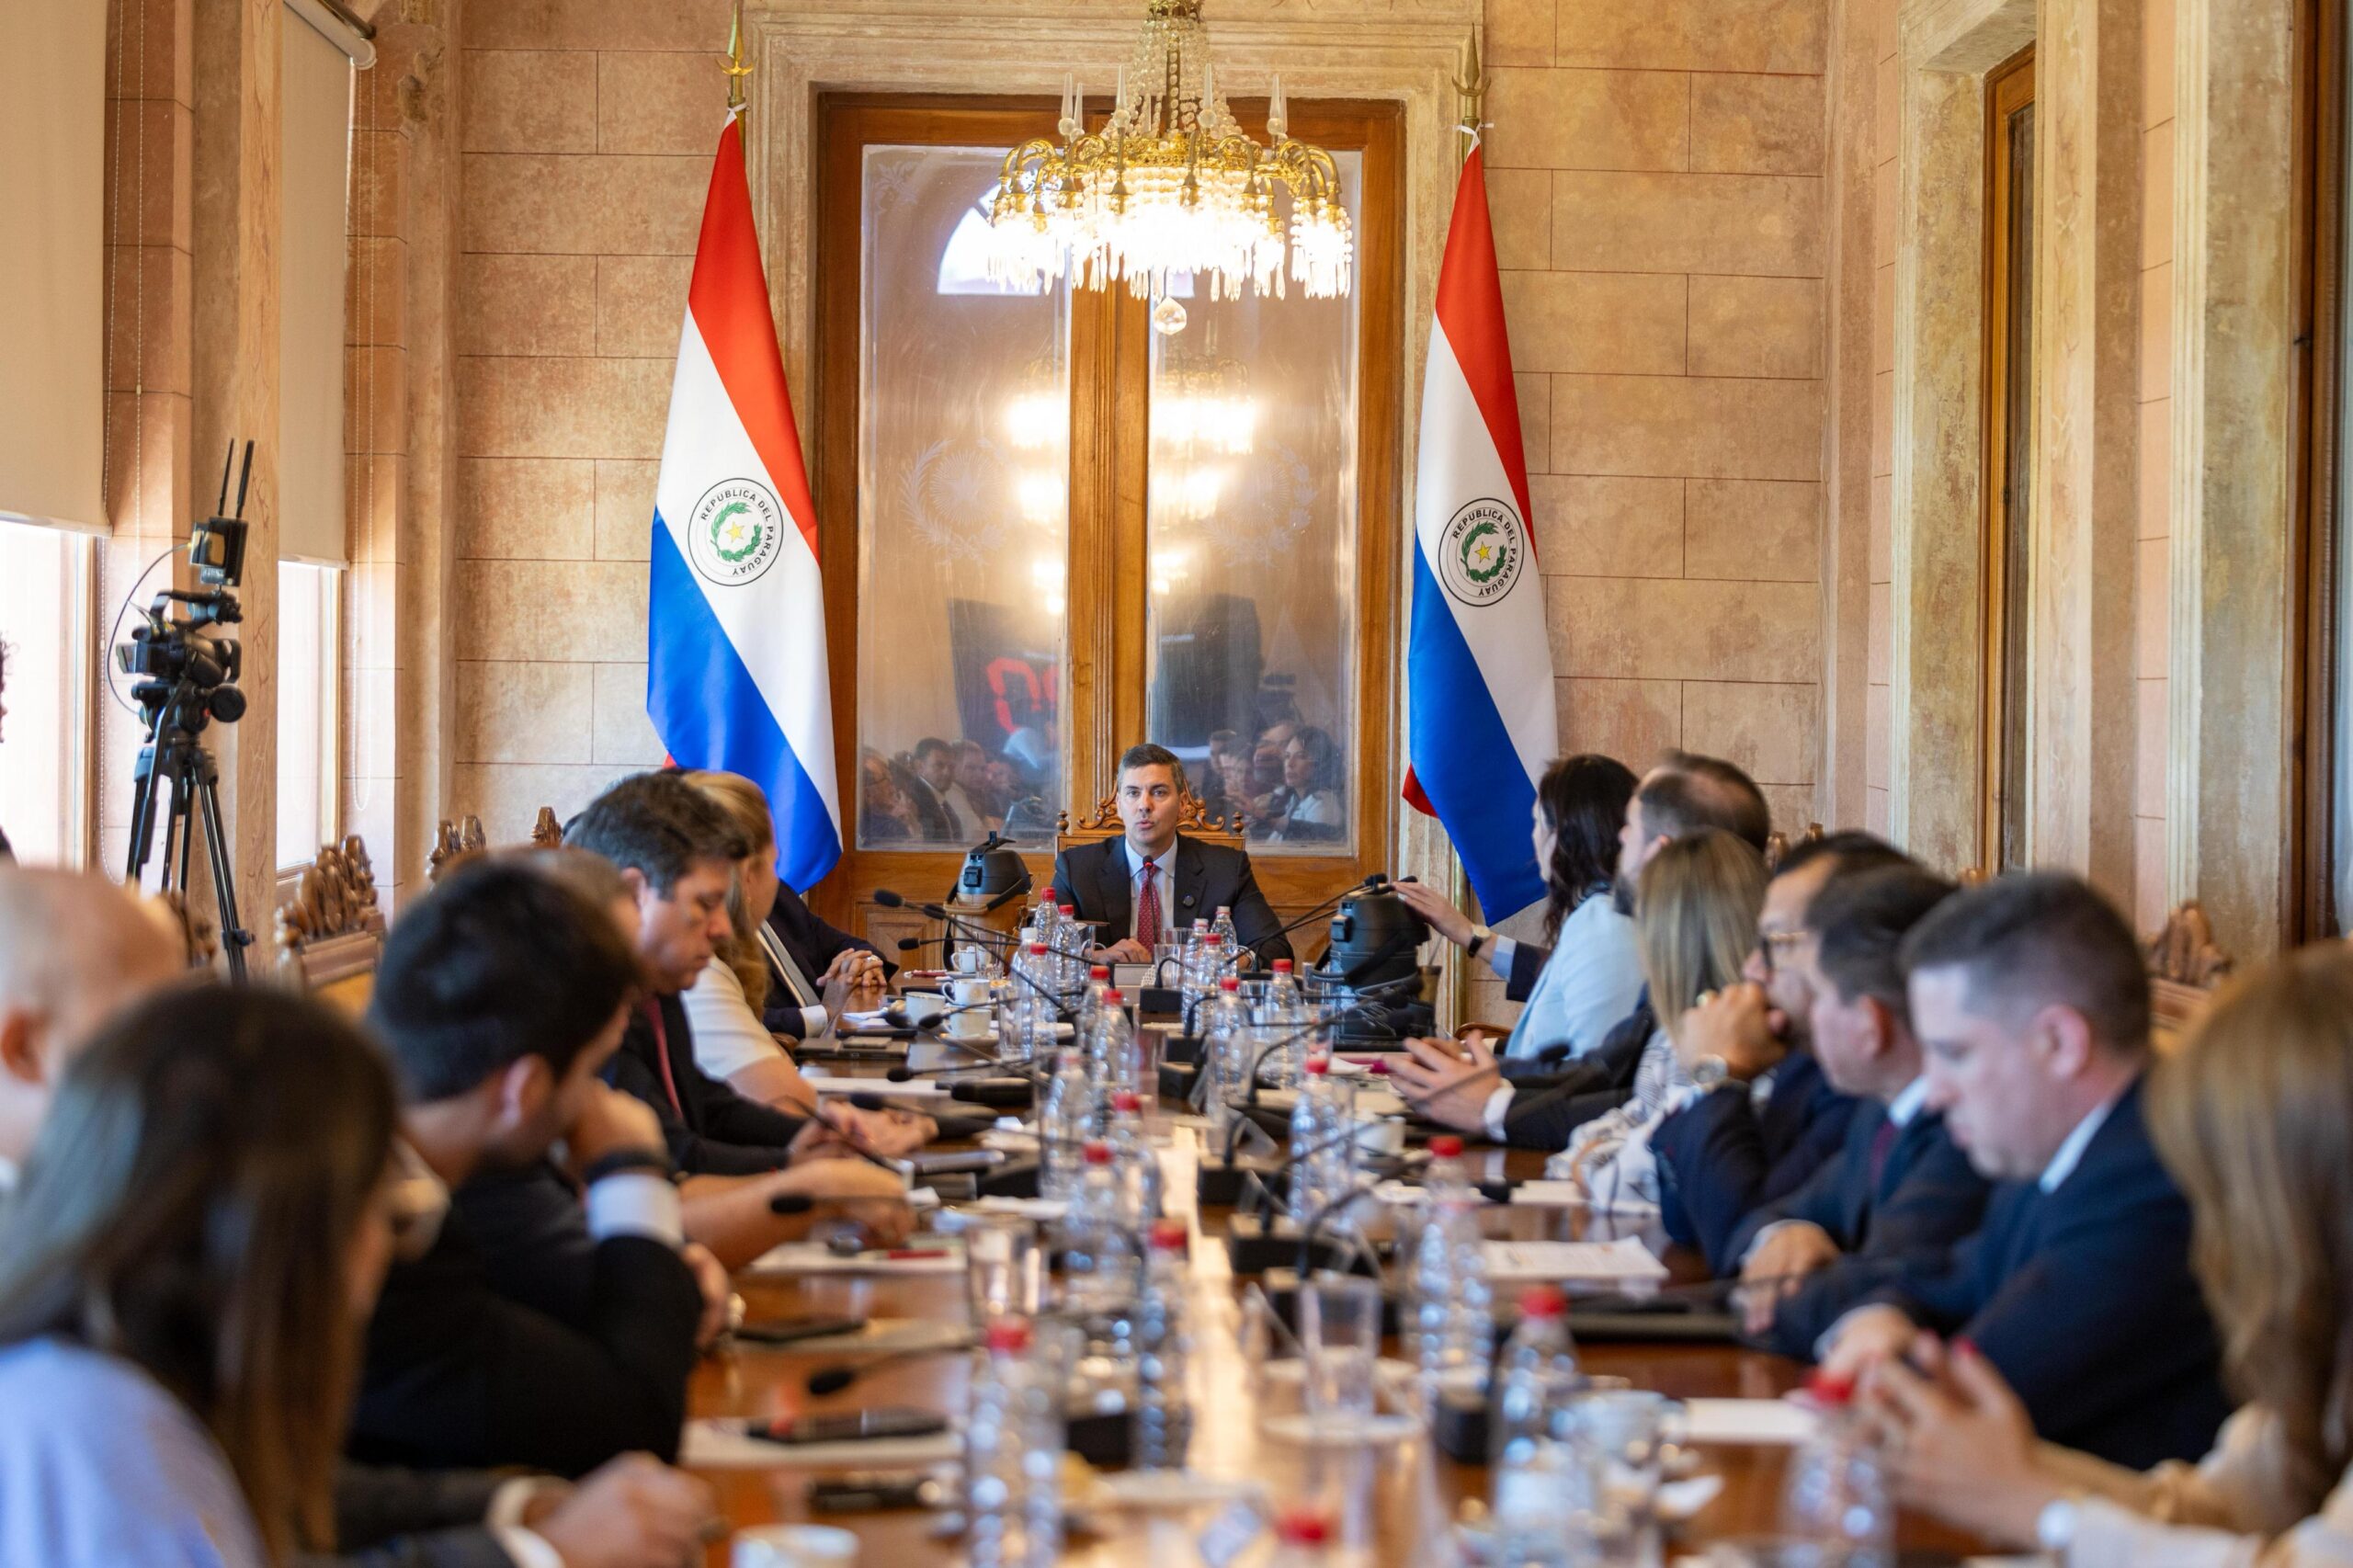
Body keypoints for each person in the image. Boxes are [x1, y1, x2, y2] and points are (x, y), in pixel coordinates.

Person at [0, 869, 712, 1568]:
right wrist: (536, 1553)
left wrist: (510, 1512)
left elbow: (255, 1494)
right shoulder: (81, 1411)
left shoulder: (109, 1299)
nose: (392, 1239)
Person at [1864, 944, 2353, 1564]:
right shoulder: (2328, 1348)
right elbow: (2209, 1509)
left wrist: (2040, 1509)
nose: (2211, 1232)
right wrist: (1999, 1468)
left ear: (2299, 1200)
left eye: (2217, 1189)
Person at [1817, 872, 2231, 1470]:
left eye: (1955, 1053)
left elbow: (1971, 1398)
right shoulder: (2057, 1153)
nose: (1932, 1094)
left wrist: (1882, 1358)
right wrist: (1887, 1314)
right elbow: (1952, 1280)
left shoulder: (2151, 1181)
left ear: (2060, 1042)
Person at [352, 857, 710, 1478]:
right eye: (591, 1073)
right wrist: (629, 1168)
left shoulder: (402, 1165)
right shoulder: (380, 1228)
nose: (599, 1100)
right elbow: (637, 1422)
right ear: (524, 1090)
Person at [563, 771, 915, 1267]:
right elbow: (675, 1166)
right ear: (636, 892)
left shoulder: (656, 980)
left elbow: (709, 1104)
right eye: (704, 904)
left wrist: (800, 1142)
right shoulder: (583, 1005)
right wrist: (808, 1178)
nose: (724, 927)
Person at [1390, 749, 1774, 1144]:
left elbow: (1636, 1111)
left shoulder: (1701, 979)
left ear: (1660, 852)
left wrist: (1492, 1103)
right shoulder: (1682, 954)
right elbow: (1602, 1068)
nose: (1618, 839)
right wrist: (1482, 1071)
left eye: (1630, 828)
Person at [1718, 865, 1993, 1352]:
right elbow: (1755, 1220)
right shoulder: (1880, 1114)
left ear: (1870, 1025)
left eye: (1819, 995)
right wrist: (1787, 1234)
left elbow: (1876, 1286)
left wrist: (1781, 1295)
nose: (1804, 1011)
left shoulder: (1960, 1132)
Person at [1644, 835, 1915, 1270]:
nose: (1752, 968)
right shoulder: (1799, 1062)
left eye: (1776, 943)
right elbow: (1687, 1220)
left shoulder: (1860, 1086)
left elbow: (1735, 1238)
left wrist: (1717, 1080)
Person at [680, 774, 925, 1148]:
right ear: (749, 873)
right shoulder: (700, 967)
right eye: (772, 854)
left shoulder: (780, 897)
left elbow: (849, 944)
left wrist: (860, 963)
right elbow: (784, 1112)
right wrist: (828, 1010)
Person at [1543, 828, 1768, 1206]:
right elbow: (1629, 1119)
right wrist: (1594, 1156)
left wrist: (1594, 1163)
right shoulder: (1672, 1033)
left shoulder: (1740, 1038)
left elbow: (1636, 1176)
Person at [1392, 753, 1644, 1064]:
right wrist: (1468, 934)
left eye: (1538, 822)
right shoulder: (1601, 912)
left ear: (1567, 836)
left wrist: (1480, 1074)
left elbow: (1582, 1065)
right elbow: (1557, 1000)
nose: (1533, 836)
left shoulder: (1604, 923)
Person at [1046, 742, 1292, 967]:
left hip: (1194, 1002)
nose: (1144, 805)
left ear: (1184, 804)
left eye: (1159, 792)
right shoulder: (1077, 869)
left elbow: (1275, 950)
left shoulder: (1226, 869)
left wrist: (1220, 960)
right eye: (1133, 793)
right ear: (1119, 806)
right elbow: (1042, 950)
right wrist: (1095, 956)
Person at [1263, 726, 1344, 844]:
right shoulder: (1293, 800)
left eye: (1301, 756)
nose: (1289, 764)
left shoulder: (1322, 804)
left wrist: (1261, 815)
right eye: (1287, 756)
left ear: (1320, 763)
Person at [906, 737, 964, 841]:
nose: (947, 772)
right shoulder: (915, 800)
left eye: (951, 767)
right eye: (939, 765)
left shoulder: (940, 800)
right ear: (919, 766)